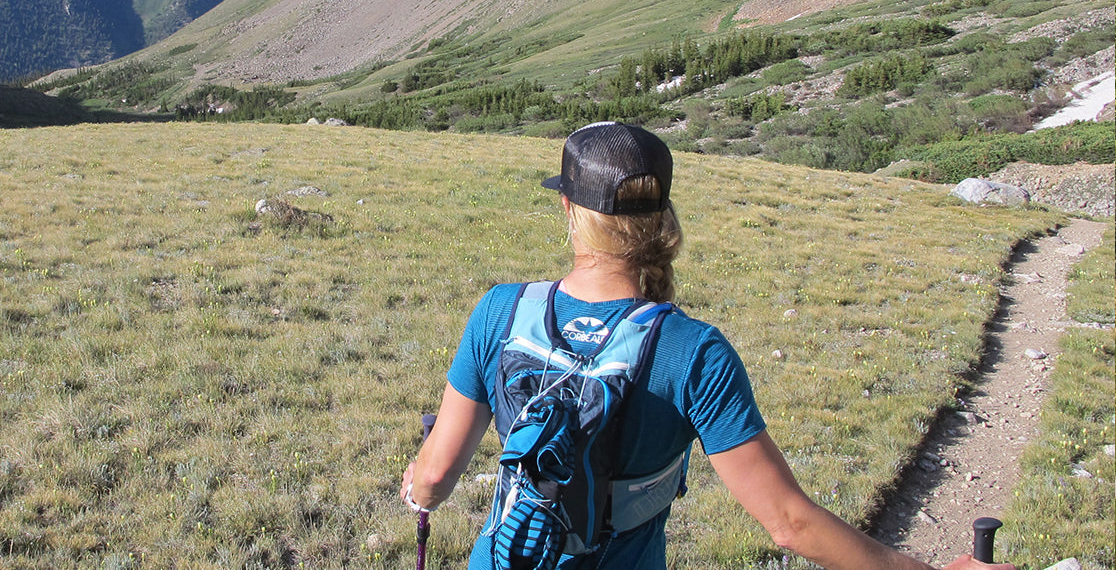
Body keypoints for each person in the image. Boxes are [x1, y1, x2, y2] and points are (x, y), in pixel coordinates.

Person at [400, 121, 1014, 570]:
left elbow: (433, 478)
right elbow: (790, 524)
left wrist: (417, 486)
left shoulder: (499, 313)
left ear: (567, 207)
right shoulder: (694, 352)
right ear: (662, 212)